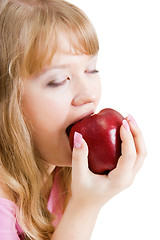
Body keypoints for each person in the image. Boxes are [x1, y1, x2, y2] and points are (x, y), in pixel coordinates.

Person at [0, 0, 147, 239]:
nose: (89, 94)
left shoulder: (60, 173)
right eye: (58, 80)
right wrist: (86, 206)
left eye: (91, 70)